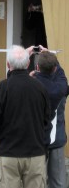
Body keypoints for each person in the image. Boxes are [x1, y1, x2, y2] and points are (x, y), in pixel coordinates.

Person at [0, 45, 51, 188]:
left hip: (8, 153)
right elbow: (47, 120)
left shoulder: (1, 88)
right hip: (35, 153)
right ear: (28, 64)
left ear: (8, 65)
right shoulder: (40, 88)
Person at [30, 47, 68, 188]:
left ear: (37, 67)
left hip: (36, 139)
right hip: (56, 138)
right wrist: (52, 57)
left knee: (35, 181)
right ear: (54, 69)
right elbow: (61, 75)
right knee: (58, 182)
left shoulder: (31, 84)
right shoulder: (61, 87)